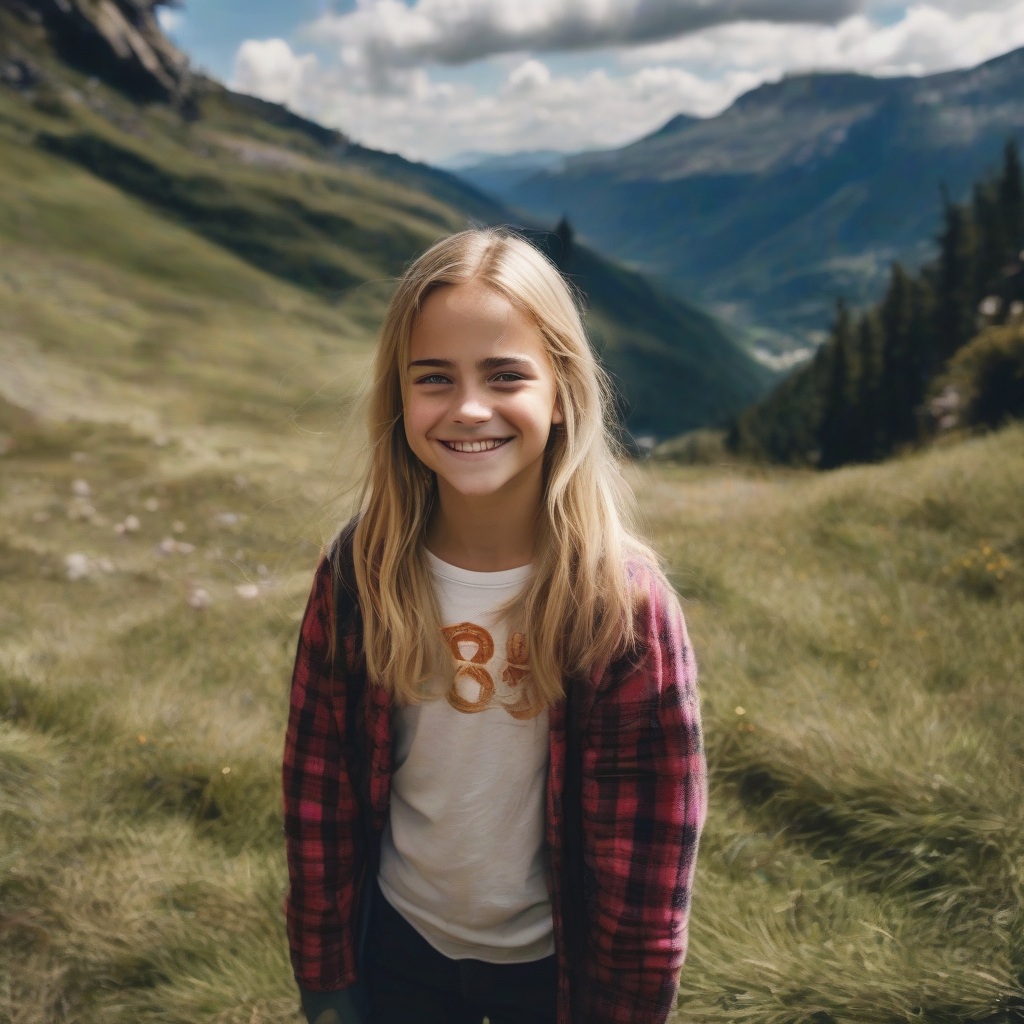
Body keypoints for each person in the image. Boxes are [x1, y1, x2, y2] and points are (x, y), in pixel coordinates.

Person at [282, 228, 707, 1024]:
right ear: (399, 398)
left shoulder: (625, 610)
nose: (468, 408)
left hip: (554, 974)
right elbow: (317, 794)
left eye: (506, 375)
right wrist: (326, 976)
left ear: (562, 391)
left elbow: (648, 865)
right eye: (434, 378)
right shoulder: (358, 575)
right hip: (395, 948)